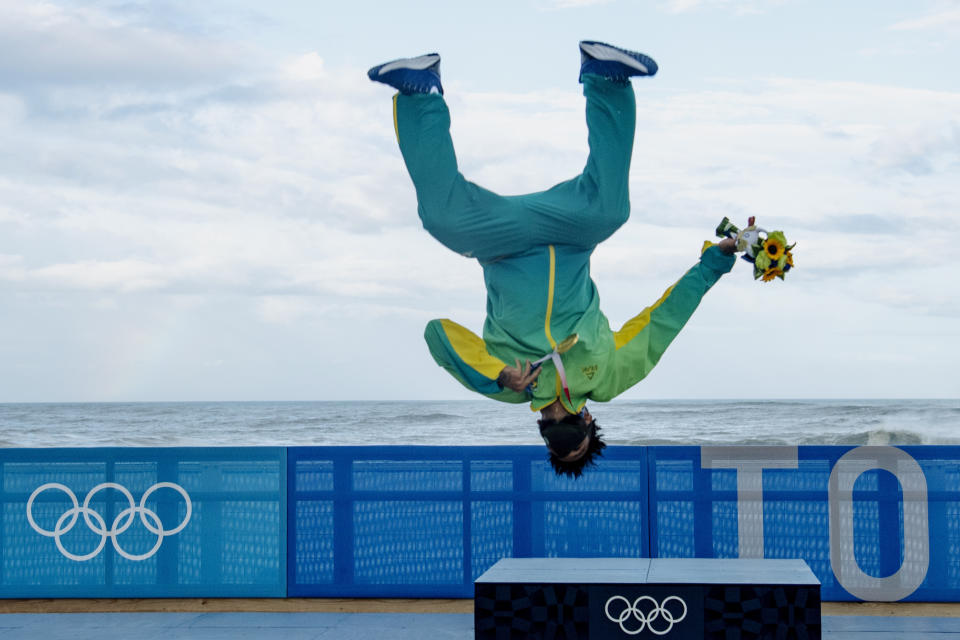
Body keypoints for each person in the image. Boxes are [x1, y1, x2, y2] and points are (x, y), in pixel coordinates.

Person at [369, 42, 736, 477]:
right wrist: (715, 262)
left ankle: (419, 91)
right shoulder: (608, 378)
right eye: (572, 439)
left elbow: (438, 334)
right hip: (570, 238)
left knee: (441, 219)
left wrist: (498, 373)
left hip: (500, 245)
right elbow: (662, 322)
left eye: (553, 438)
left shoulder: (506, 388)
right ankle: (605, 78)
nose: (557, 427)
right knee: (611, 210)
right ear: (587, 422)